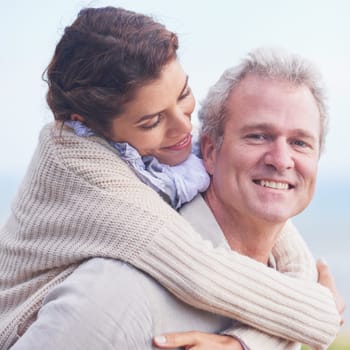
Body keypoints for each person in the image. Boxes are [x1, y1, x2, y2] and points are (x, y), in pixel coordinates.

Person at [0, 6, 341, 349]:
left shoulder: (159, 151)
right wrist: (321, 312)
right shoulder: (92, 184)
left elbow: (272, 214)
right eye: (152, 121)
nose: (183, 128)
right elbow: (201, 272)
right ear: (88, 124)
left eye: (183, 95)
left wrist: (257, 332)